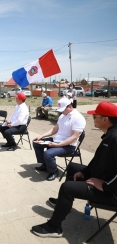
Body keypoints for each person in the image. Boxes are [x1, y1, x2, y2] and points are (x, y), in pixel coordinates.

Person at [31, 101, 117, 238]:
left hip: (111, 192)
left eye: (95, 116)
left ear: (105, 119)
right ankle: (64, 204)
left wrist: (105, 186)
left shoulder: (115, 138)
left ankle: (54, 227)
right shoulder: (110, 134)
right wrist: (84, 172)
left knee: (67, 187)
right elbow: (98, 161)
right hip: (103, 177)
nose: (93, 119)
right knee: (72, 167)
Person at [33, 97, 86, 181]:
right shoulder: (63, 115)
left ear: (69, 106)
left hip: (68, 145)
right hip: (57, 141)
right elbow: (55, 129)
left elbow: (74, 137)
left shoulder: (78, 118)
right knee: (36, 143)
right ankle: (45, 165)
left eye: (63, 109)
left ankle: (54, 171)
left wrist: (58, 145)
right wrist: (41, 136)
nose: (61, 111)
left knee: (48, 154)